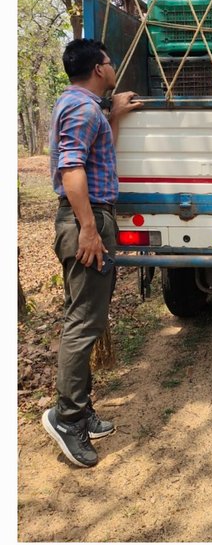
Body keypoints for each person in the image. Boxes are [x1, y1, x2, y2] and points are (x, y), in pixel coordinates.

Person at [42, 38, 142, 468]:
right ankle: (66, 418)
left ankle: (80, 409)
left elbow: (100, 157)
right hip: (87, 220)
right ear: (100, 68)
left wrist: (113, 115)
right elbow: (72, 167)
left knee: (84, 316)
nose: (114, 66)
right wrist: (87, 228)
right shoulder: (83, 109)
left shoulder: (83, 107)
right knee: (84, 323)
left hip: (90, 217)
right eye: (111, 61)